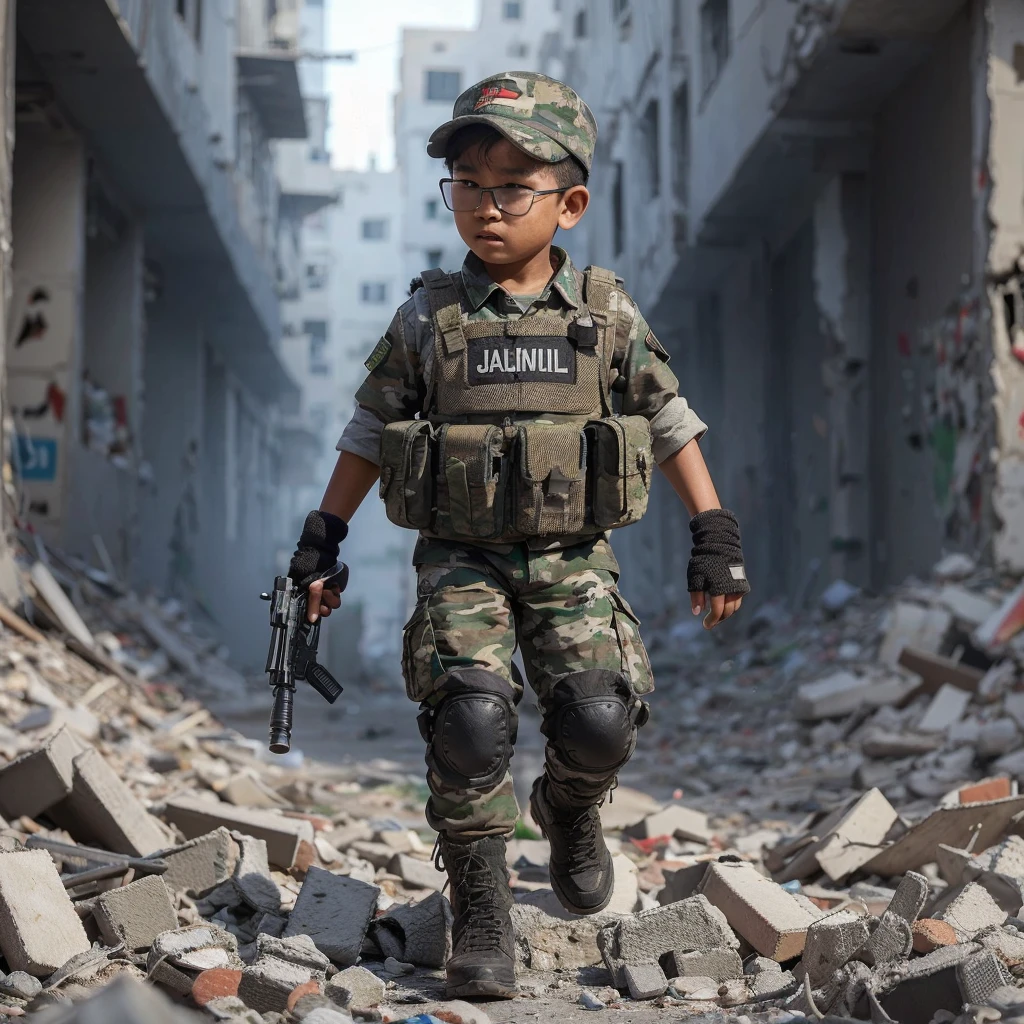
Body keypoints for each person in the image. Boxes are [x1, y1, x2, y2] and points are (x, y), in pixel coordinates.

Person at [286, 72, 750, 1000]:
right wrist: (323, 537)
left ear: (568, 204)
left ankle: (569, 812)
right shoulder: (427, 317)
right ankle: (482, 907)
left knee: (598, 720)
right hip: (461, 557)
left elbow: (669, 420)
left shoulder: (604, 315)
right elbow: (371, 430)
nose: (485, 208)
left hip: (572, 556)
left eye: (511, 188)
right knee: (469, 722)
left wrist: (714, 527)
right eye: (466, 185)